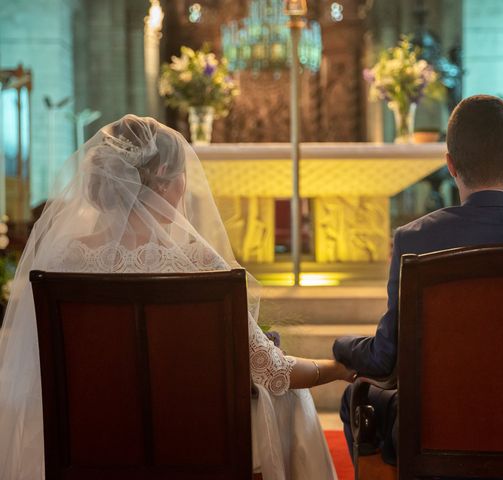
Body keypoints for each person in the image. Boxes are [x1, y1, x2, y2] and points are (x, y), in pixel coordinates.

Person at [0, 115, 353, 480]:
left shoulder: (61, 263)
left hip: (95, 444)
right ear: (167, 174)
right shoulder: (198, 263)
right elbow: (274, 372)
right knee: (291, 400)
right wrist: (341, 367)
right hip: (191, 449)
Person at [333, 94, 503, 464]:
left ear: (450, 165)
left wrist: (341, 345)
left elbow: (383, 358)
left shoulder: (416, 240)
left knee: (356, 401)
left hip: (441, 440)